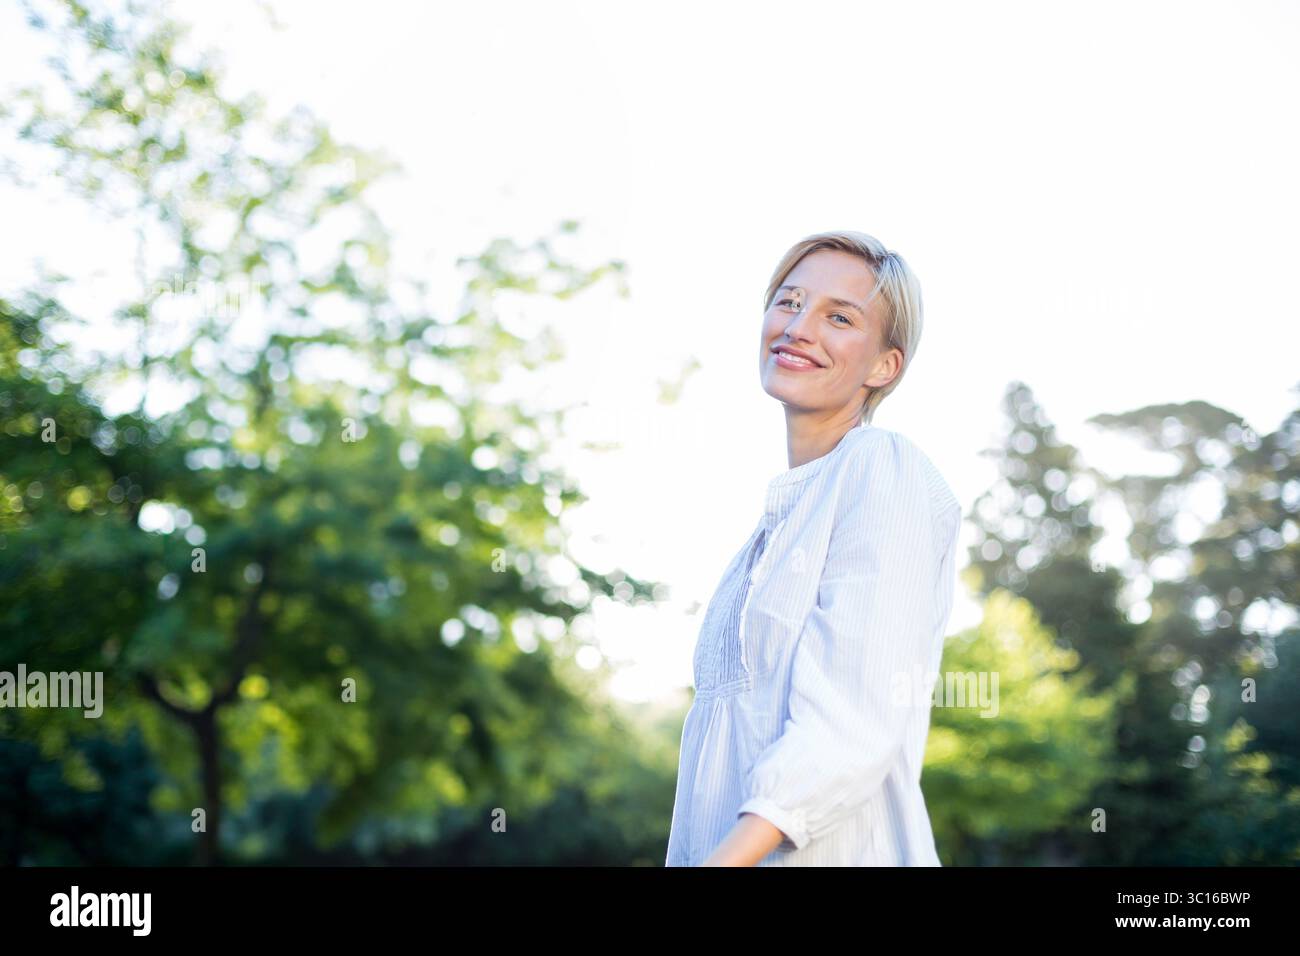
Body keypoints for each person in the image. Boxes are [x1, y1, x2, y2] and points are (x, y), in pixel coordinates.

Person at [664, 230, 962, 866]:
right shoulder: (768, 536)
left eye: (839, 317)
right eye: (788, 301)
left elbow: (851, 721)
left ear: (885, 365)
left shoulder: (883, 467)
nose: (798, 327)